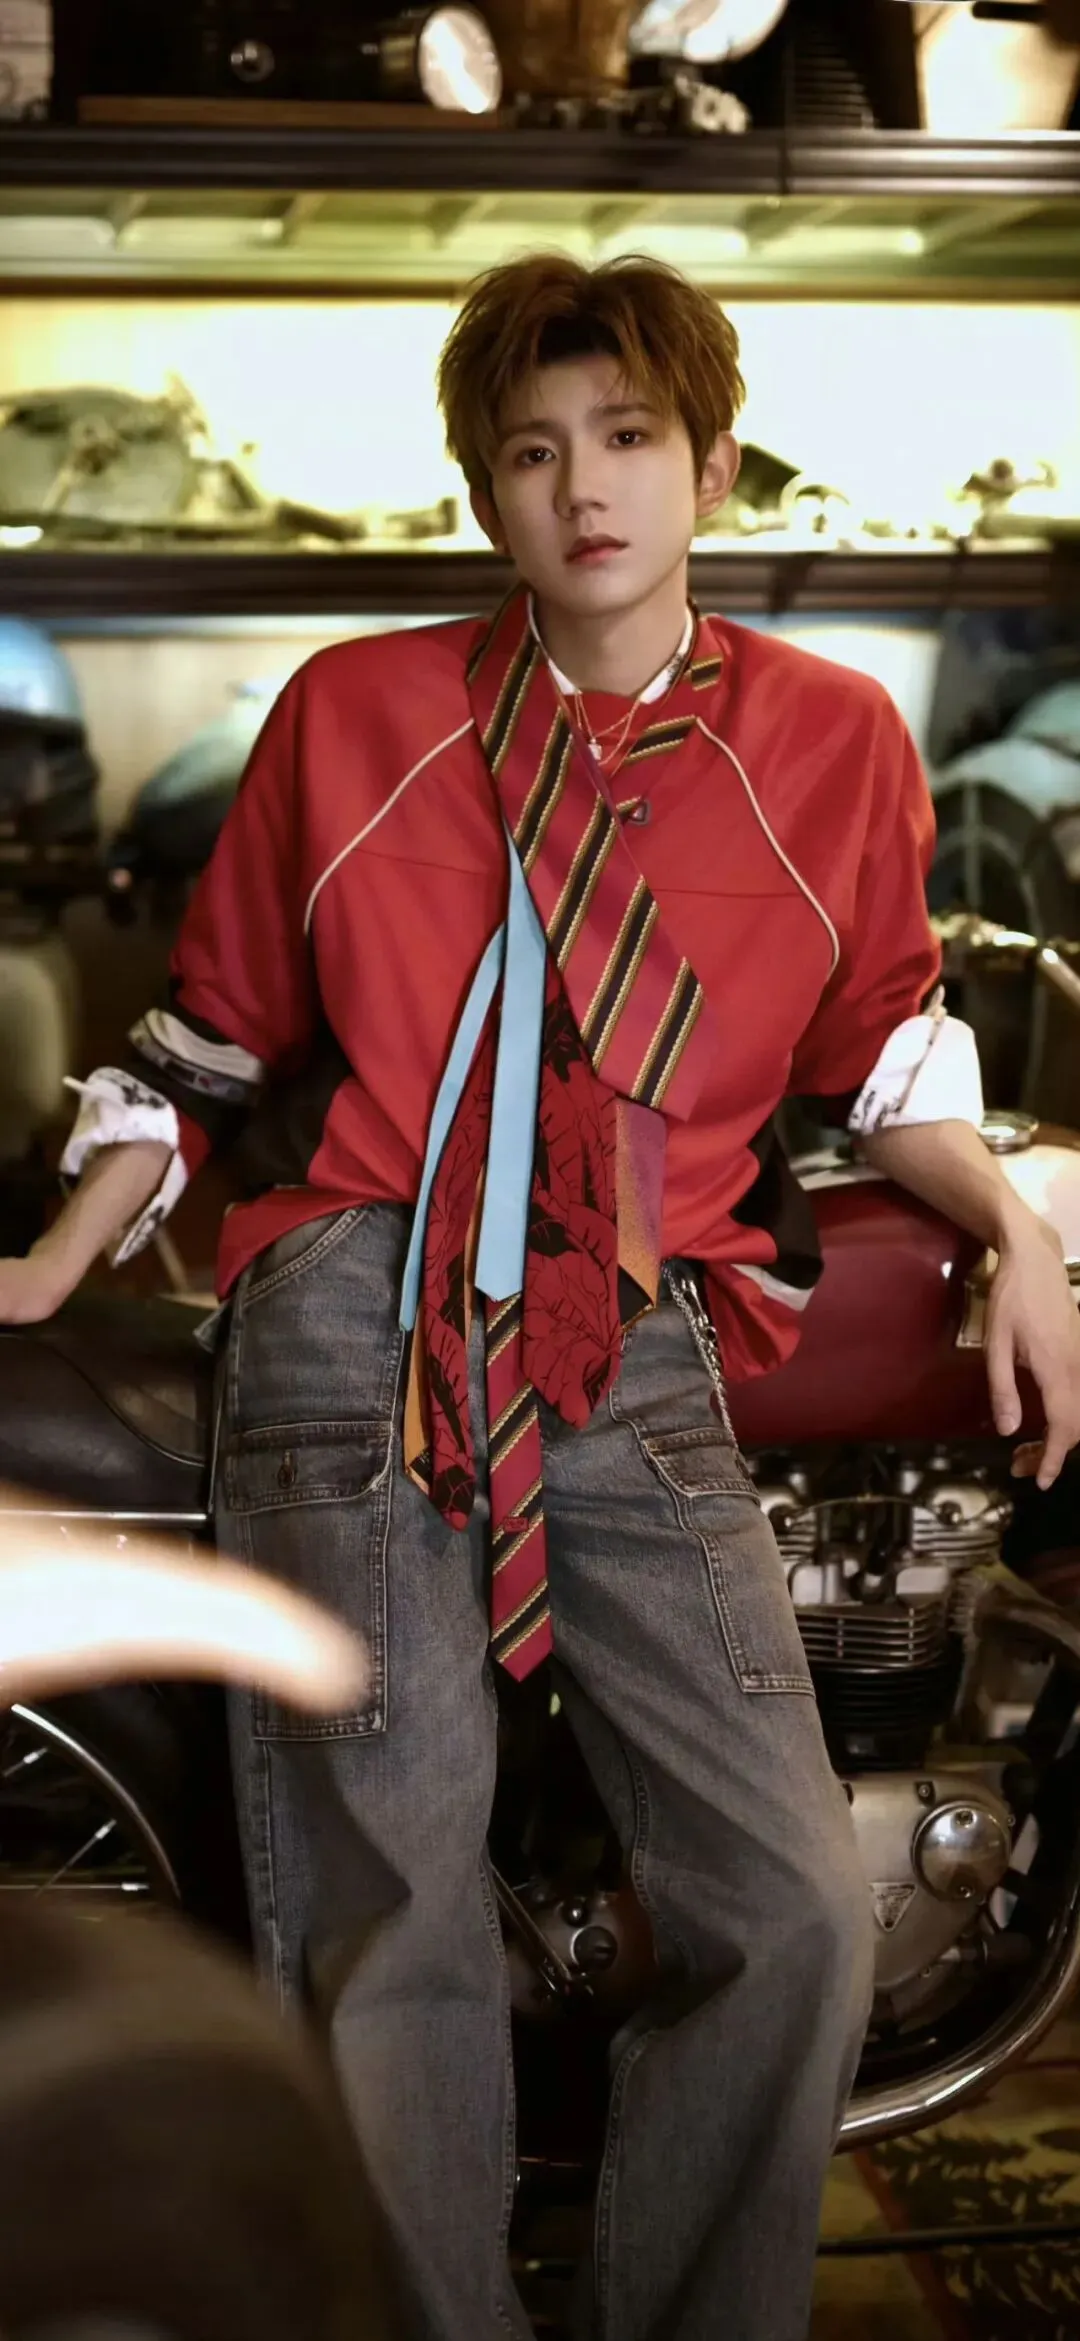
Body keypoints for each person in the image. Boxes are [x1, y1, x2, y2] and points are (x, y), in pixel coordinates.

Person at [2, 254, 1079, 2341]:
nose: (583, 488)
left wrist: (1018, 1231)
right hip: (355, 1298)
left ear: (712, 467)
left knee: (788, 1900)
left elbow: (884, 1045)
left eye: (628, 438)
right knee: (392, 1906)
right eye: (530, 451)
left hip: (632, 1317)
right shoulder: (354, 712)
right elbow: (208, 1039)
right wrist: (53, 1258)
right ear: (482, 491)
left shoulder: (833, 739)